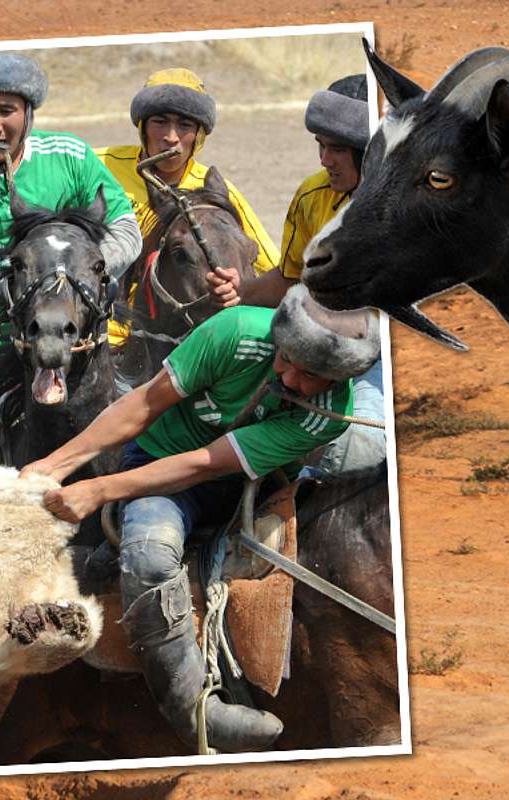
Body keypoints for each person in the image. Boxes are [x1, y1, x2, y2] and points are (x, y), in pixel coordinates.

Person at [21, 284, 381, 753]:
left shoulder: (329, 416)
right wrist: (59, 466)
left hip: (243, 480)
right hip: (158, 468)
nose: (288, 378)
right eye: (285, 359)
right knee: (150, 556)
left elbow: (209, 463)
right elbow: (146, 403)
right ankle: (195, 714)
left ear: (338, 379)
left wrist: (97, 490)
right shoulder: (233, 331)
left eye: (308, 375)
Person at [0, 52, 141, 461]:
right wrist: (14, 287)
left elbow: (125, 230)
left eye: (6, 110)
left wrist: (74, 278)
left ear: (28, 112)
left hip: (79, 330)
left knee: (146, 428)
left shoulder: (71, 156)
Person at [249, 74, 386, 473]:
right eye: (321, 147)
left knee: (359, 445)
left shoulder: (410, 209)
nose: (325, 160)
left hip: (375, 361)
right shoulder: (313, 194)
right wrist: (234, 292)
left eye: (338, 149)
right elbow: (288, 281)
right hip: (314, 349)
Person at [96, 68, 281, 349]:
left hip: (175, 344)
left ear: (199, 136)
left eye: (184, 125)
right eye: (160, 122)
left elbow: (272, 268)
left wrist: (236, 290)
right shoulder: (98, 167)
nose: (171, 137)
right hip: (98, 336)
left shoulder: (217, 196)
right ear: (143, 127)